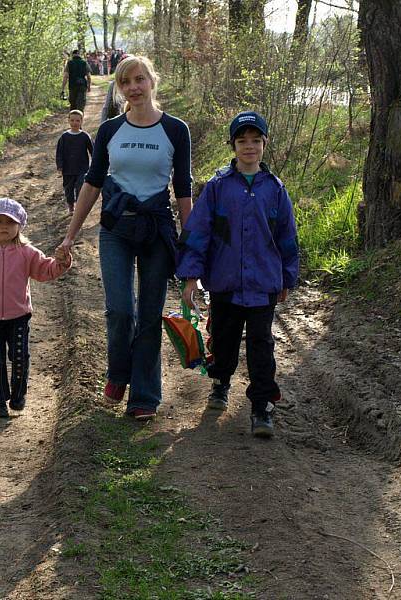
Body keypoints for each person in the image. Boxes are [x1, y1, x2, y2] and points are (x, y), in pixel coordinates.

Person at [57, 55, 192, 421]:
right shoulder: (110, 130)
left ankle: (144, 396)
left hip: (156, 230)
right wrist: (70, 237)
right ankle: (118, 372)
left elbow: (183, 190)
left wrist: (191, 246)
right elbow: (93, 181)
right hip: (116, 229)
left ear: (152, 82)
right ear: (119, 88)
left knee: (149, 316)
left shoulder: (176, 130)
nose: (133, 87)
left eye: (139, 79)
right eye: (126, 82)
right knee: (119, 310)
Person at [176, 111, 299, 438]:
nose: (249, 147)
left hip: (263, 285)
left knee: (262, 344)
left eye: (255, 141)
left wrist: (287, 277)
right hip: (225, 284)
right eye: (242, 141)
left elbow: (288, 237)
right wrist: (191, 277)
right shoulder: (217, 189)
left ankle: (262, 407)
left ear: (264, 144)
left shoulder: (275, 190)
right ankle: (220, 381)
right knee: (225, 340)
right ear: (232, 145)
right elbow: (198, 233)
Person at [0, 198, 72, 418]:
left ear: (19, 224)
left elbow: (45, 270)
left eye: (9, 222)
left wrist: (61, 262)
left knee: (20, 356)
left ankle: (18, 397)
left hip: (19, 316)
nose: (4, 226)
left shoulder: (27, 252)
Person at [56, 110, 93, 213]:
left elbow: (93, 151)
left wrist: (96, 164)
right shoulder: (64, 137)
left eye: (77, 120)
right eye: (72, 120)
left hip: (82, 168)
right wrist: (60, 167)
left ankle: (79, 207)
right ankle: (71, 207)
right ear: (68, 121)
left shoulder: (85, 136)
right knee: (68, 190)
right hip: (68, 169)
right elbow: (59, 153)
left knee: (80, 187)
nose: (74, 123)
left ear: (81, 121)